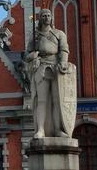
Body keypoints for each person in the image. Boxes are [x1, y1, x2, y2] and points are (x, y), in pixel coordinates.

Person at [27, 9, 76, 139]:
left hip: (56, 68)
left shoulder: (59, 34)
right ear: (40, 18)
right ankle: (41, 130)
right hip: (41, 67)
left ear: (52, 18)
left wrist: (64, 62)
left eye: (48, 15)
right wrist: (34, 55)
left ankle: (57, 129)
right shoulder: (35, 36)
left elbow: (64, 49)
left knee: (57, 101)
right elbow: (27, 54)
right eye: (44, 16)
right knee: (42, 101)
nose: (46, 17)